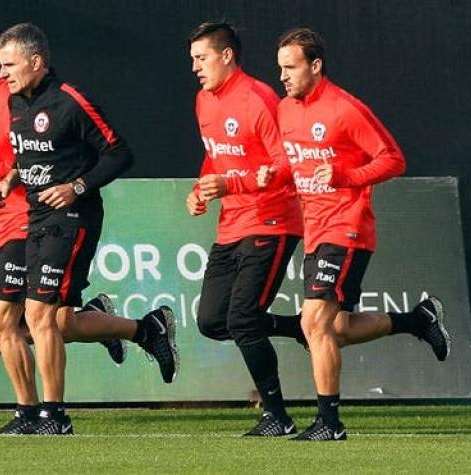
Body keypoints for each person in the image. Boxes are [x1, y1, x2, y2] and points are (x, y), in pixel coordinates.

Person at [0, 23, 180, 435]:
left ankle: (54, 415)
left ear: (36, 62)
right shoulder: (15, 105)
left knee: (39, 314)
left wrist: (77, 186)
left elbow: (120, 153)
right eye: (2, 65)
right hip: (35, 217)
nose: (4, 74)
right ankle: (139, 331)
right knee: (40, 320)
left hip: (73, 219)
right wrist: (9, 180)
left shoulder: (70, 101)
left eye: (10, 65)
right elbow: (29, 159)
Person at [262, 27, 452, 440]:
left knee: (314, 323)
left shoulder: (345, 109)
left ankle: (330, 424)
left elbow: (393, 159)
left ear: (315, 65)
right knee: (336, 330)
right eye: (280, 68)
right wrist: (271, 174)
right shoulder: (285, 109)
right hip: (315, 229)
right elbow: (291, 166)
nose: (283, 76)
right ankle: (417, 320)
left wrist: (349, 175)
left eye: (290, 67)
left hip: (347, 227)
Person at [186, 22, 307, 437]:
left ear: (226, 56)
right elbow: (216, 157)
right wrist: (201, 188)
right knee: (211, 321)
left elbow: (288, 165)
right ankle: (298, 327)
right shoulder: (203, 100)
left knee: (242, 318)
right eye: (193, 60)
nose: (196, 68)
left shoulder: (259, 98)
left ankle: (278, 416)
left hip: (271, 221)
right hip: (231, 225)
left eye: (201, 58)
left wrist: (233, 184)